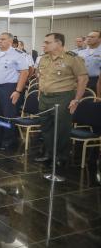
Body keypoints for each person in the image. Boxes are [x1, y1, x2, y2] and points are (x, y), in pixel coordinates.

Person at [35, 33, 88, 167]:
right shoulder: (44, 58)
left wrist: (76, 99)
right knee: (46, 127)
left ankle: (61, 157)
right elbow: (41, 76)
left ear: (58, 43)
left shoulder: (72, 59)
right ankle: (49, 154)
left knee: (61, 129)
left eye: (47, 42)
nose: (44, 45)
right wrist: (40, 91)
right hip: (45, 97)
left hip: (63, 97)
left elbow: (83, 79)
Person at [0, 32, 29, 151]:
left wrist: (18, 91)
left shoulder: (17, 54)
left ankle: (9, 139)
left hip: (9, 88)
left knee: (8, 115)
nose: (0, 41)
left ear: (10, 42)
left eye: (3, 39)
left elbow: (24, 72)